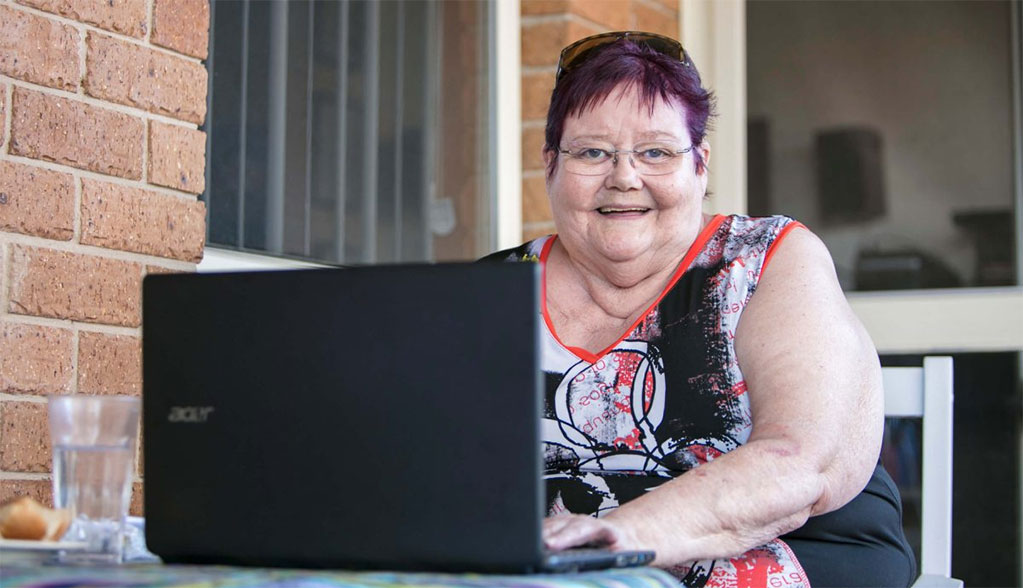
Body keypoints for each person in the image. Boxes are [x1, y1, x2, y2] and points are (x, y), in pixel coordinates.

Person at [483, 31, 916, 587]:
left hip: (780, 550)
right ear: (550, 165)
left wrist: (612, 540)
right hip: (546, 570)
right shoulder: (495, 287)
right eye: (592, 151)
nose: (624, 176)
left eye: (656, 152)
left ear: (700, 164)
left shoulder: (764, 262)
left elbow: (800, 460)